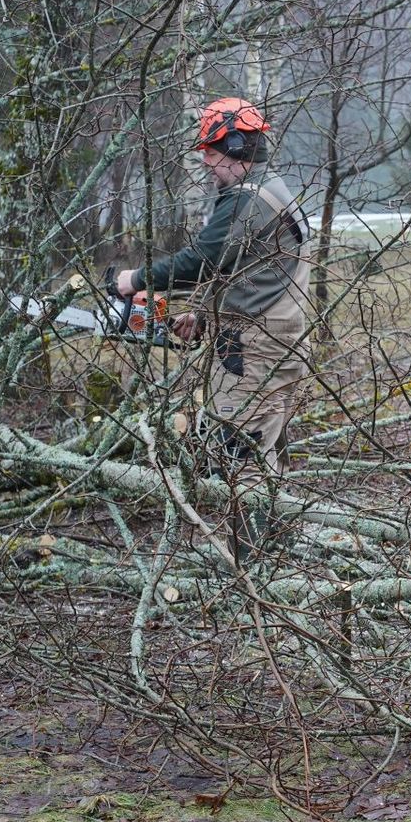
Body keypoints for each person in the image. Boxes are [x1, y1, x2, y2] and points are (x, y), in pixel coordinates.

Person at [117, 97, 311, 562]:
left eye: (212, 150)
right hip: (275, 335)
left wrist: (136, 280)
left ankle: (253, 571)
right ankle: (274, 554)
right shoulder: (272, 189)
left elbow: (202, 258)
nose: (206, 161)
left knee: (238, 453)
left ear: (240, 146)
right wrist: (204, 317)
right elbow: (250, 268)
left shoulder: (248, 198)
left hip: (255, 346)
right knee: (266, 450)